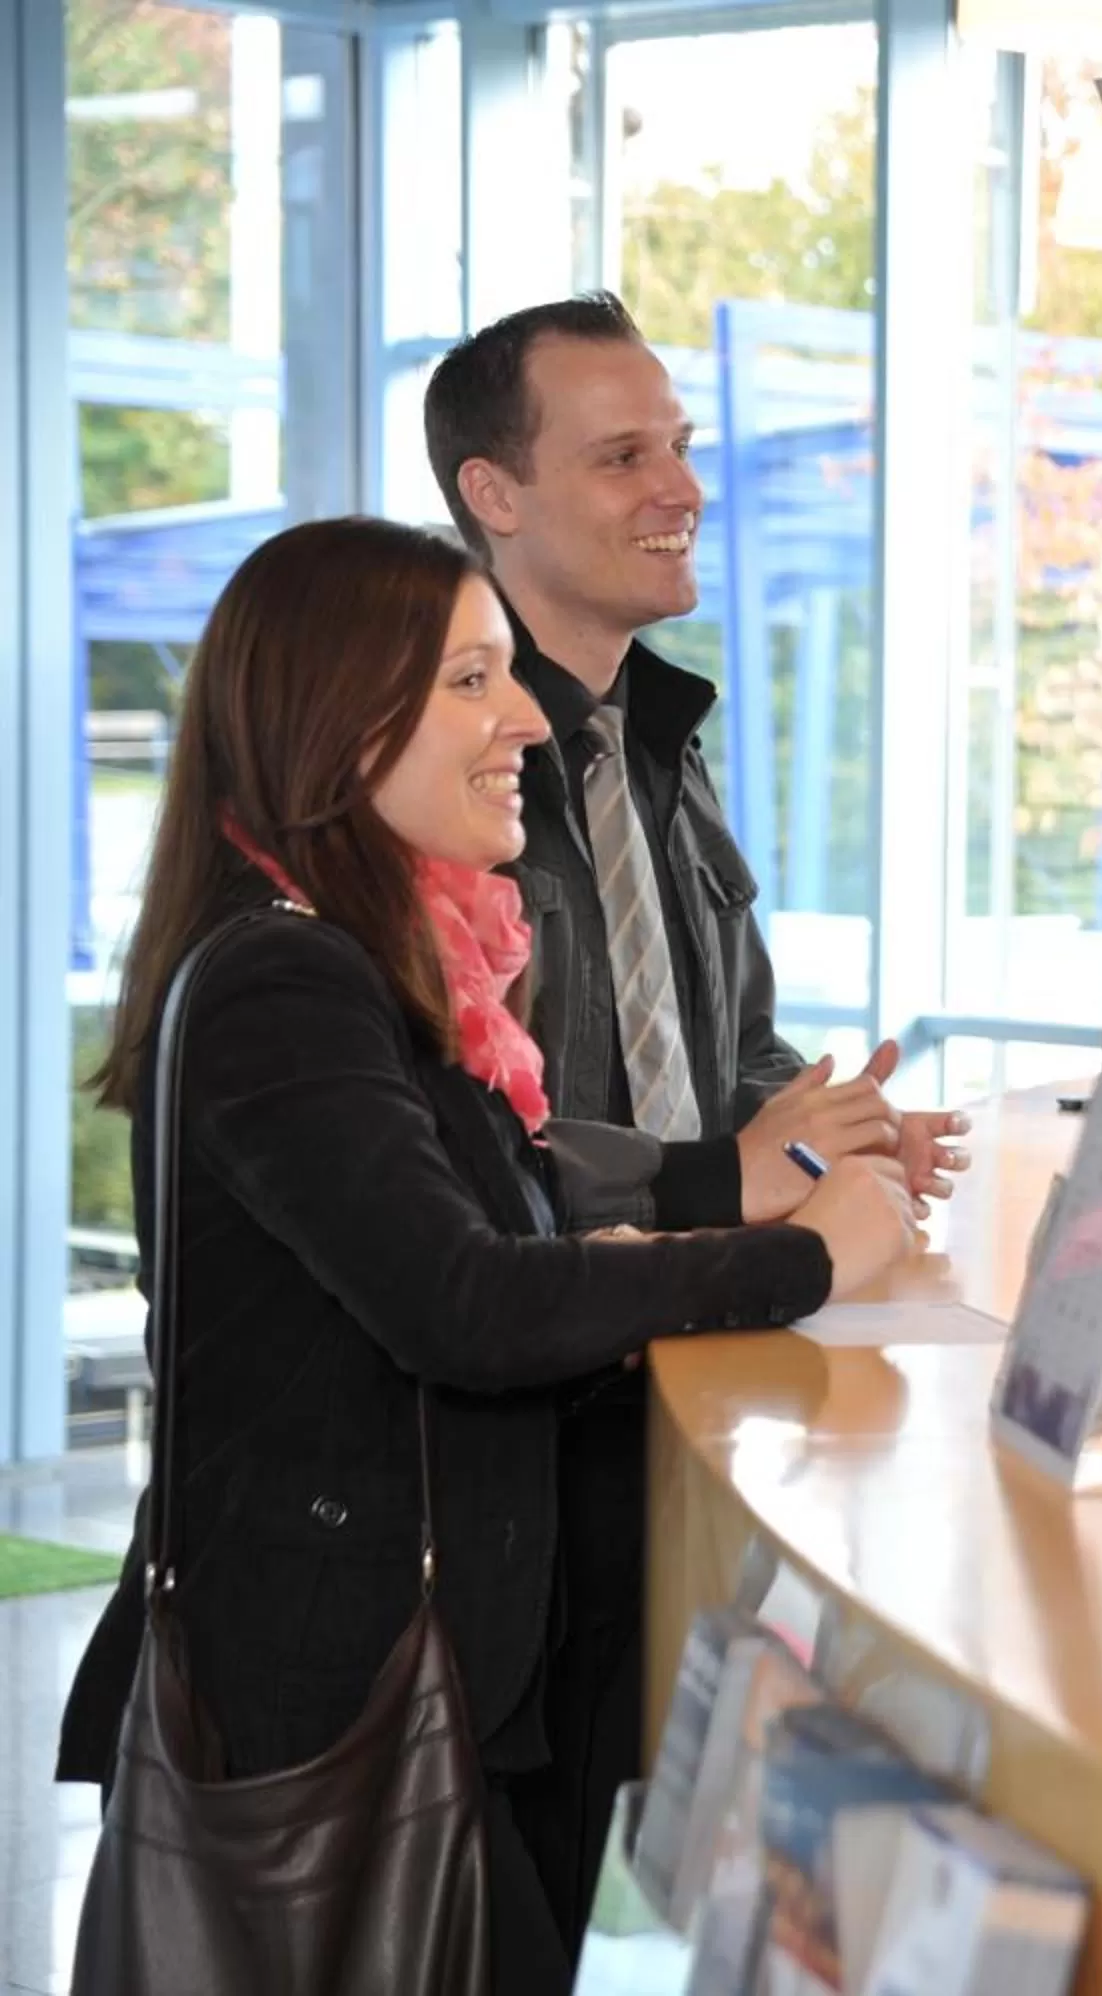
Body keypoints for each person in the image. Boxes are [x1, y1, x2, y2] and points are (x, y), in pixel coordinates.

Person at [56, 517, 922, 1988]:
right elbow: (465, 1300)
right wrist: (810, 1256)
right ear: (337, 720)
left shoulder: (380, 961)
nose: (524, 716)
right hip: (340, 1709)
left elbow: (510, 1211)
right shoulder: (286, 978)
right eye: (471, 681)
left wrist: (741, 1189)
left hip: (433, 1675)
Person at [422, 292, 966, 1932]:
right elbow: (462, 1140)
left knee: (580, 1875)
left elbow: (715, 1049)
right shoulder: (439, 769)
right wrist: (720, 1165)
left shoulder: (663, 738)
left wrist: (824, 1124)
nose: (682, 486)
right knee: (477, 1907)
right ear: (493, 496)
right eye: (623, 454)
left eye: (682, 445)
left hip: (670, 1389)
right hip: (516, 1434)